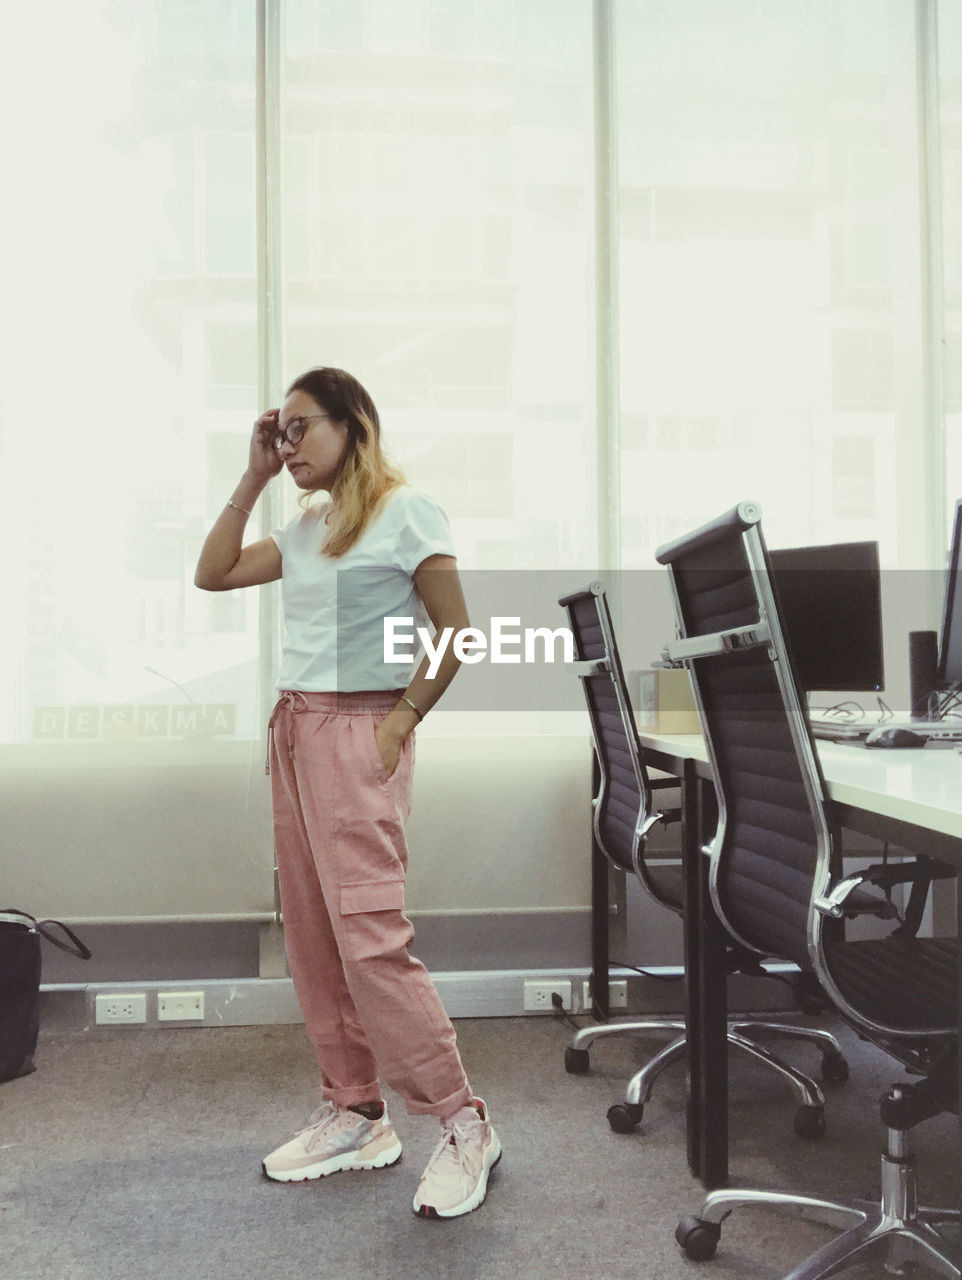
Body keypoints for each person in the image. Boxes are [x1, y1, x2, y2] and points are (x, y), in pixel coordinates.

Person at [194, 366, 500, 1219]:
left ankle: (462, 1120)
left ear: (352, 423)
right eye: (279, 432)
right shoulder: (306, 526)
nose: (288, 444)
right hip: (294, 729)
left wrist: (398, 723)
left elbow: (456, 636)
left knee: (370, 938)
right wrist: (254, 474)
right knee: (315, 935)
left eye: (300, 429)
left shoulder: (407, 511)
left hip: (359, 729)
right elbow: (211, 573)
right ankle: (359, 1109)